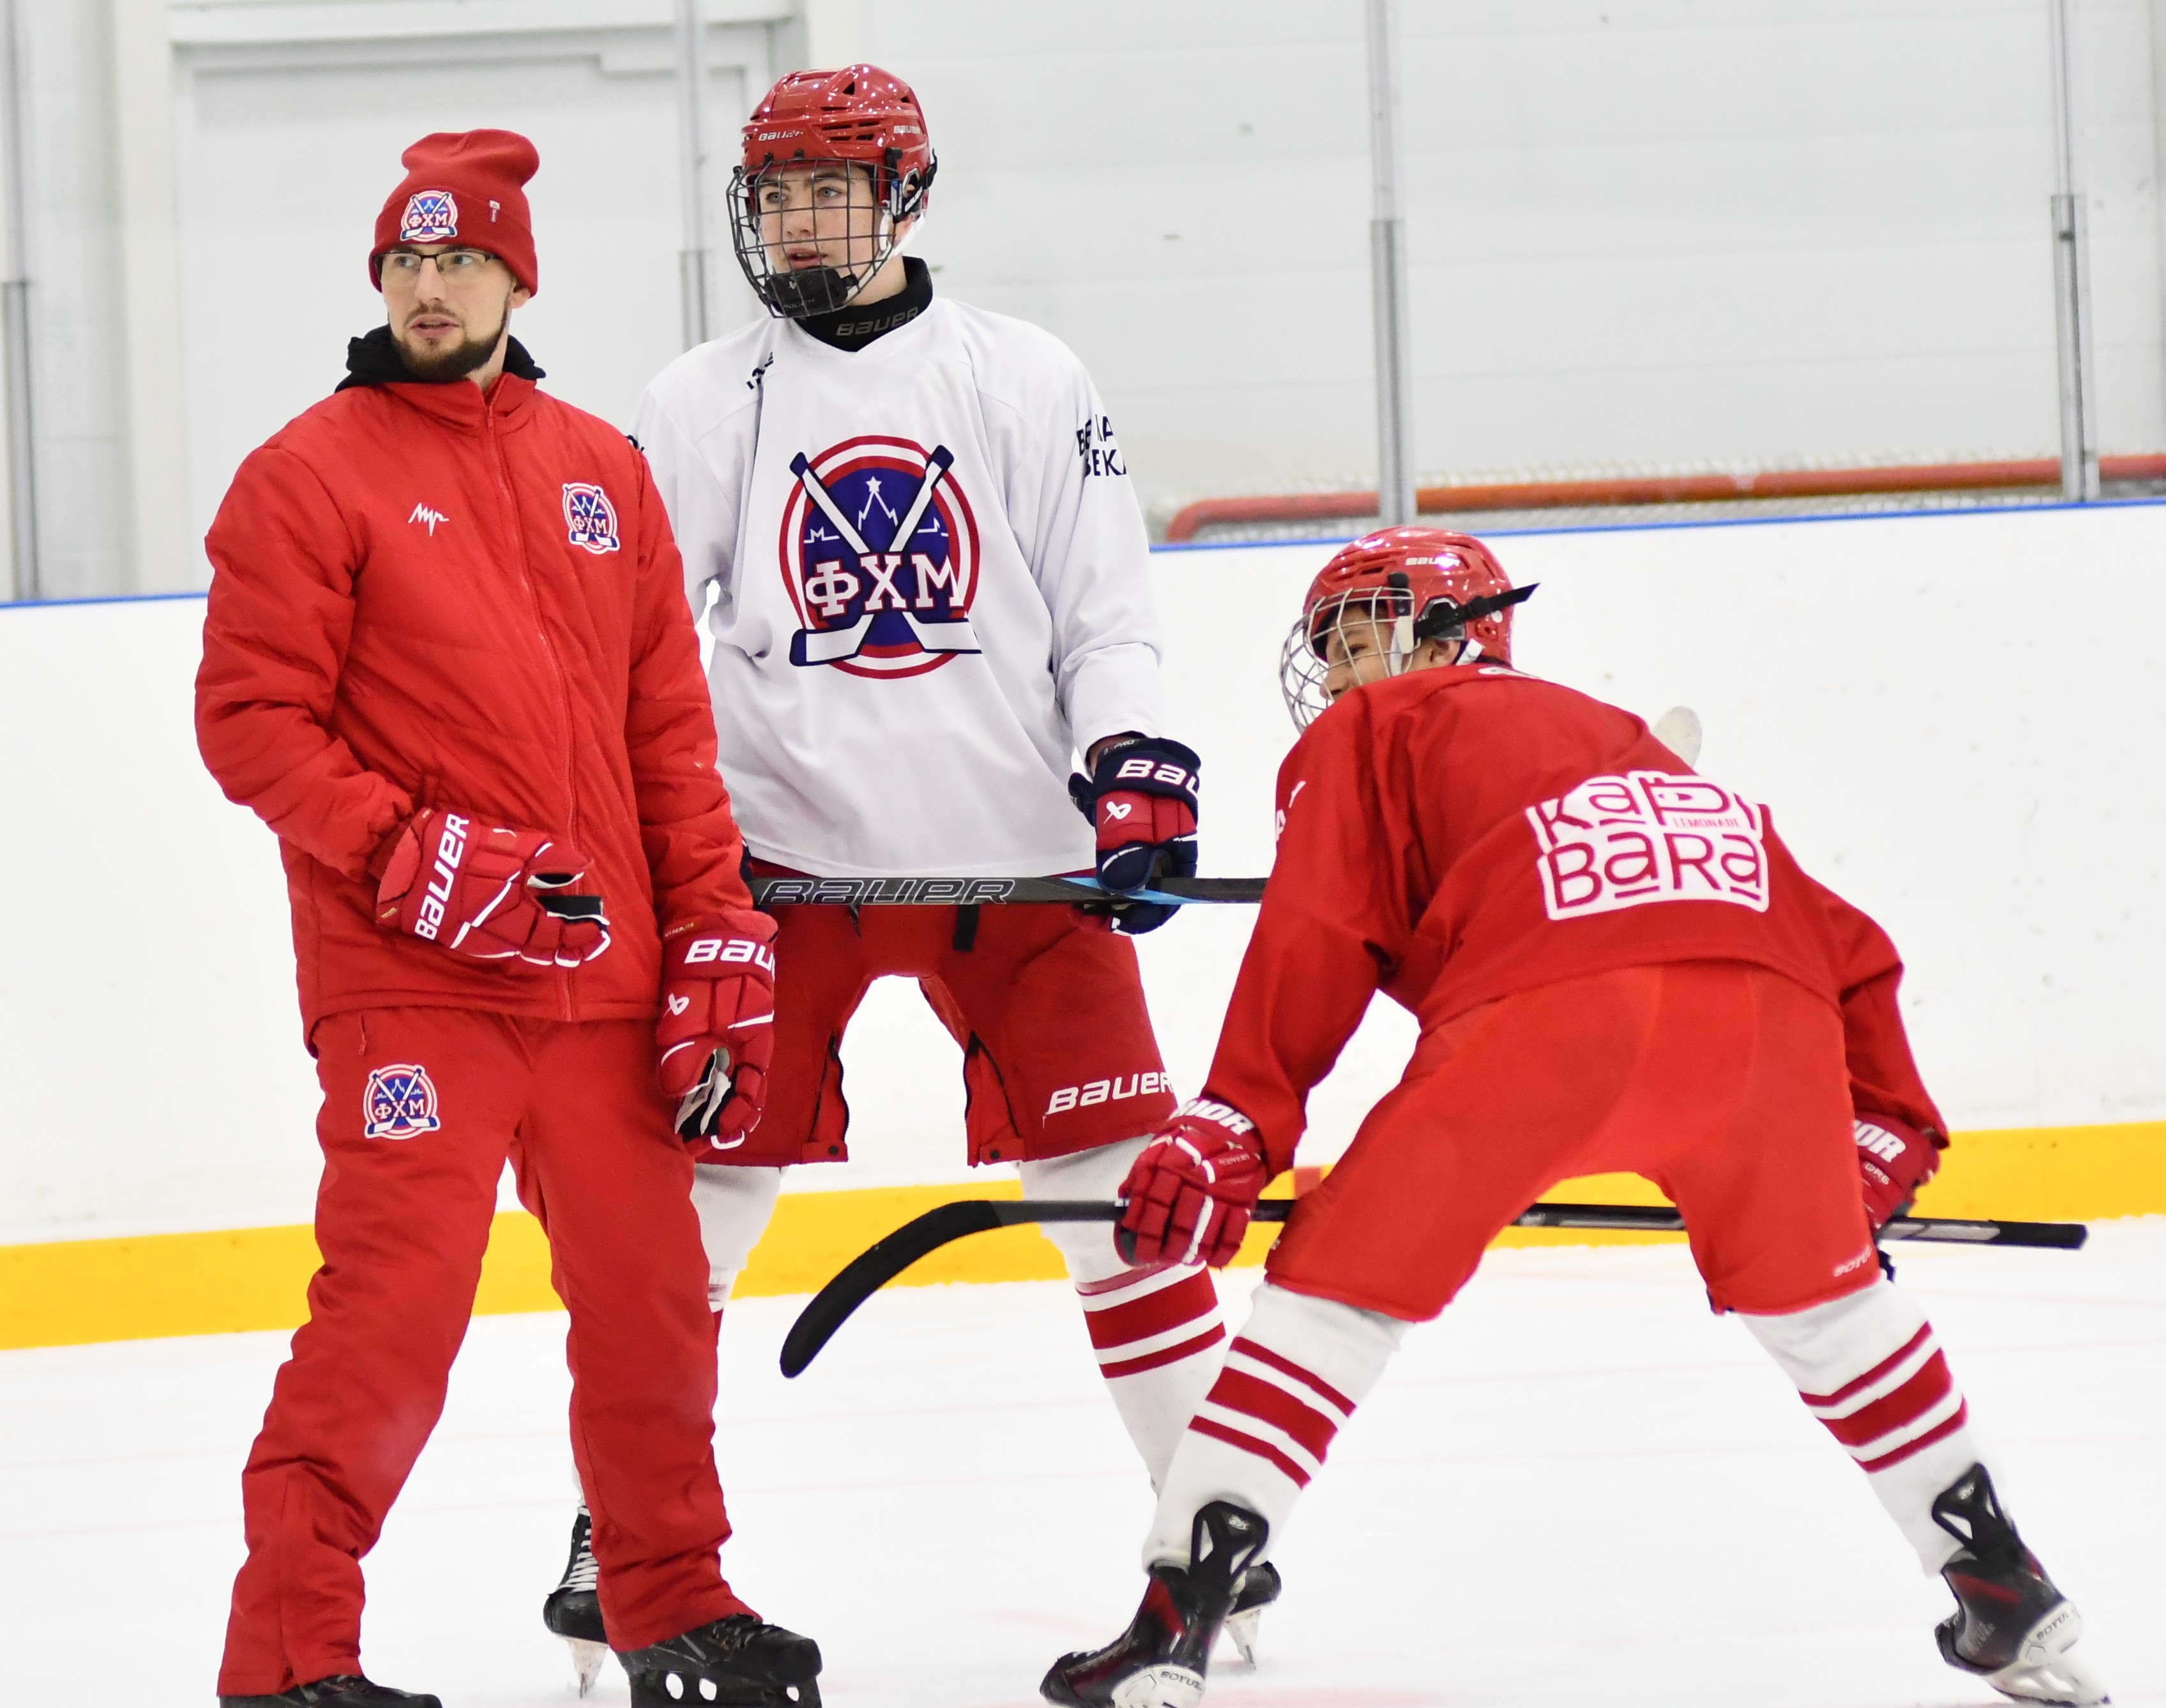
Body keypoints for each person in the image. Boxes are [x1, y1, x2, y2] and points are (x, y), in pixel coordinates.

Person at [1043, 528, 2108, 1708]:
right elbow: (1835, 937)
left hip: (1555, 1019)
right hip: (1768, 1022)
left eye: (1350, 642)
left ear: (1431, 633)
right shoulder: (1628, 744)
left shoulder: (1373, 732)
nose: (1336, 676)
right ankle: (2005, 1587)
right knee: (1836, 1308)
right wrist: (1886, 1116)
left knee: (1335, 1292)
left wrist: (1241, 1119)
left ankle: (1179, 1613)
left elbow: (1318, 934)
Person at [536, 59, 1261, 1682]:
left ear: (902, 199)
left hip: (1018, 867)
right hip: (782, 868)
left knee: (1119, 1206)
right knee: (694, 1218)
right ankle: (621, 1532)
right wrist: (662, 841)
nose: (795, 222)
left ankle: (1209, 1523)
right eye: (774, 192)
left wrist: (1132, 767)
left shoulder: (1019, 375)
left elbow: (1103, 612)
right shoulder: (700, 400)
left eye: (828, 191)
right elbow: (646, 645)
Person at [197, 130, 820, 1708]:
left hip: (602, 986)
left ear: (514, 277)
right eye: (405, 261)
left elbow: (669, 736)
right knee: (392, 1323)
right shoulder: (306, 473)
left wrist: (718, 939)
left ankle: (668, 1602)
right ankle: (286, 1661)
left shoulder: (600, 468)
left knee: (655, 1311)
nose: (428, 286)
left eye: (459, 258)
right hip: (413, 985)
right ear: (379, 280)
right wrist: (414, 858)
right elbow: (251, 722)